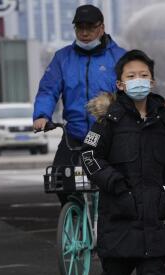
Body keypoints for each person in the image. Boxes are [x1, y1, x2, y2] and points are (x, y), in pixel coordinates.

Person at [81, 50, 165, 275]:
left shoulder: (163, 117)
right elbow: (89, 156)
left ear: (151, 80)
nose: (137, 80)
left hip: (153, 213)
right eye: (130, 76)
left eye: (143, 75)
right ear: (120, 84)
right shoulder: (108, 118)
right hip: (118, 214)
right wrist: (115, 186)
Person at [32, 4, 125, 204]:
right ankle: (75, 216)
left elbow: (130, 93)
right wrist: (42, 115)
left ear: (101, 28)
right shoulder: (63, 57)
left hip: (110, 136)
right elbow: (48, 90)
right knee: (59, 178)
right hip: (74, 135)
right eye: (79, 27)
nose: (84, 32)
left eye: (90, 27)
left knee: (117, 184)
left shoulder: (119, 57)